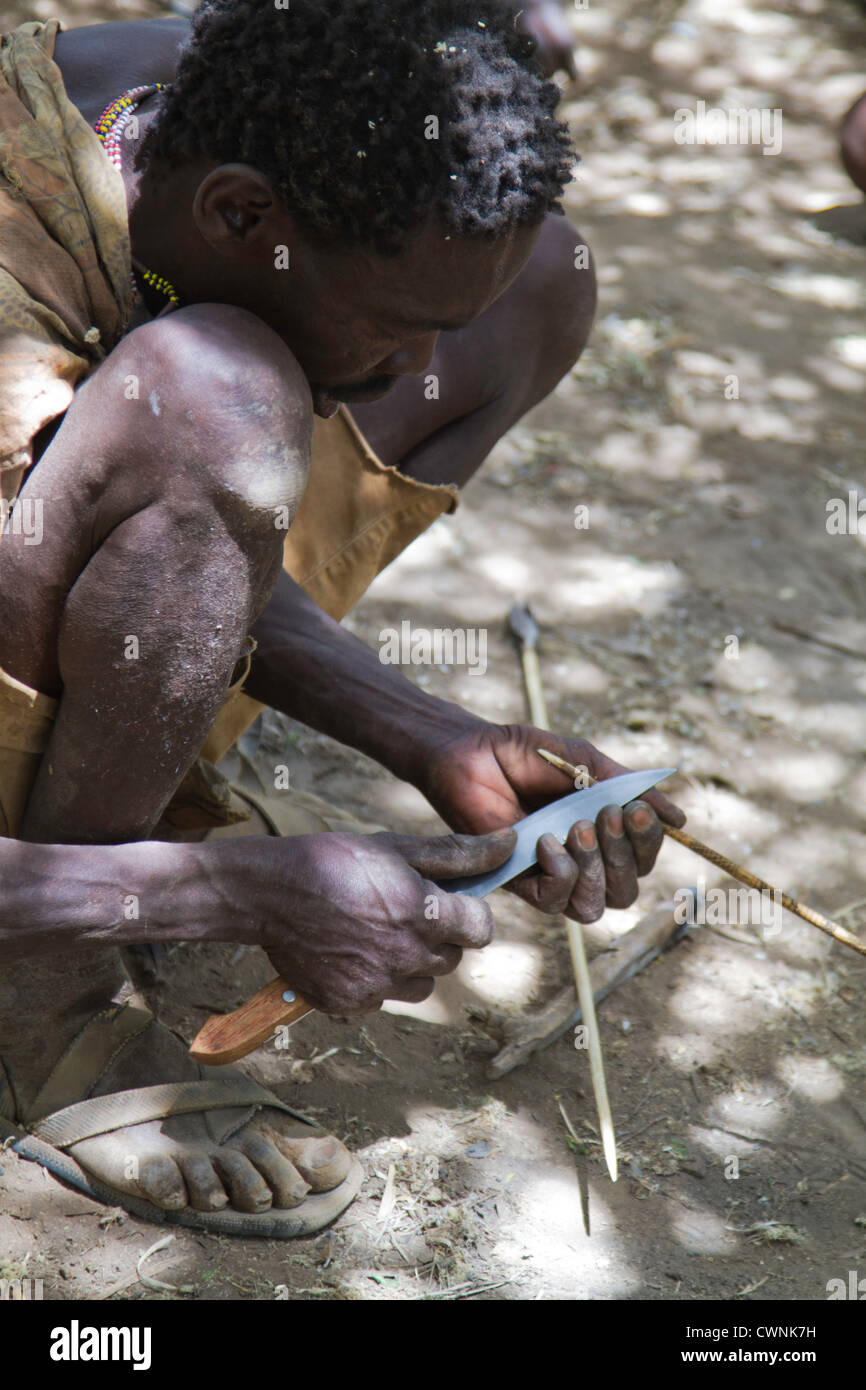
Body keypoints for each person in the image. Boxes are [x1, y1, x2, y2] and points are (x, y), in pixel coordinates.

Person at [0, 0, 682, 1236]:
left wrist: (432, 737)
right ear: (241, 214)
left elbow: (135, 472)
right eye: (387, 327)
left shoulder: (194, 101)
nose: (409, 368)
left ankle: (128, 796)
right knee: (215, 394)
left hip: (87, 529)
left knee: (530, 285)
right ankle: (50, 999)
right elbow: (183, 432)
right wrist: (233, 895)